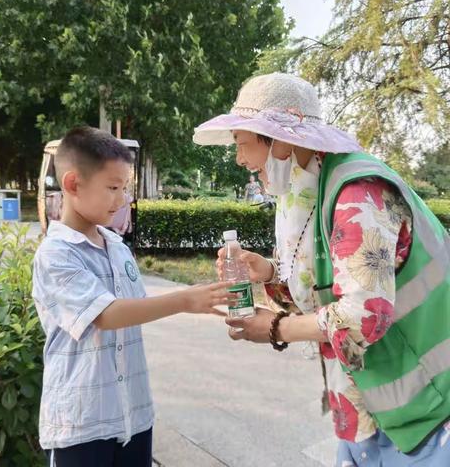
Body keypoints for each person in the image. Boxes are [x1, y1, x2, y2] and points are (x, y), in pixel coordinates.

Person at [193, 73, 450, 466]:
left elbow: (362, 318)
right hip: (369, 406)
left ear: (282, 140)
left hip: (427, 409)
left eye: (242, 144)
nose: (239, 159)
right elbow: (327, 284)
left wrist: (276, 328)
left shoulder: (358, 194)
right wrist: (269, 273)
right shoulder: (310, 190)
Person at [32, 126, 234, 467]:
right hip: (81, 423)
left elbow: (134, 310)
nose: (122, 198)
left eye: (124, 188)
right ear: (72, 184)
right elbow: (107, 315)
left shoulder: (118, 248)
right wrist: (185, 300)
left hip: (133, 414)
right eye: (112, 187)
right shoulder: (56, 254)